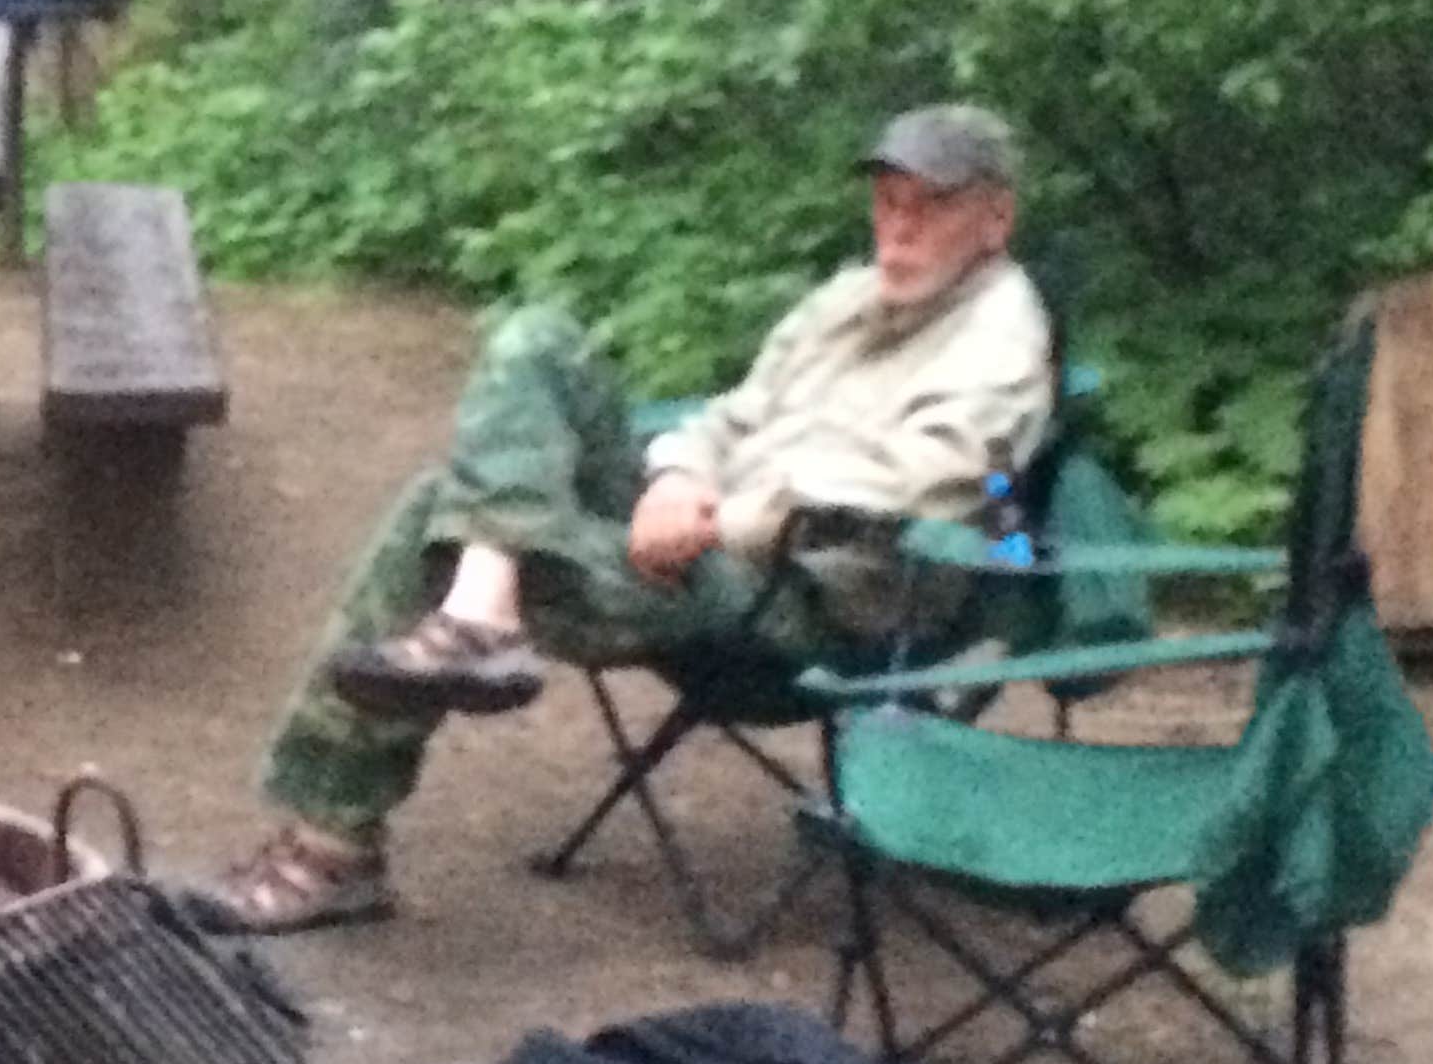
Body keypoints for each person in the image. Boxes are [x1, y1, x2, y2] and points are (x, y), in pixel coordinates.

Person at [190, 104, 1057, 934]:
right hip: (709, 536)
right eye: (887, 203)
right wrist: (680, 473)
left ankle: (336, 843)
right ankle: (479, 612)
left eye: (931, 209)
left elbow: (905, 486)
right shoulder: (850, 301)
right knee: (536, 339)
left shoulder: (1001, 343)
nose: (898, 229)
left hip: (808, 597)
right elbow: (734, 414)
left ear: (995, 219)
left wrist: (719, 521)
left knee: (435, 510)